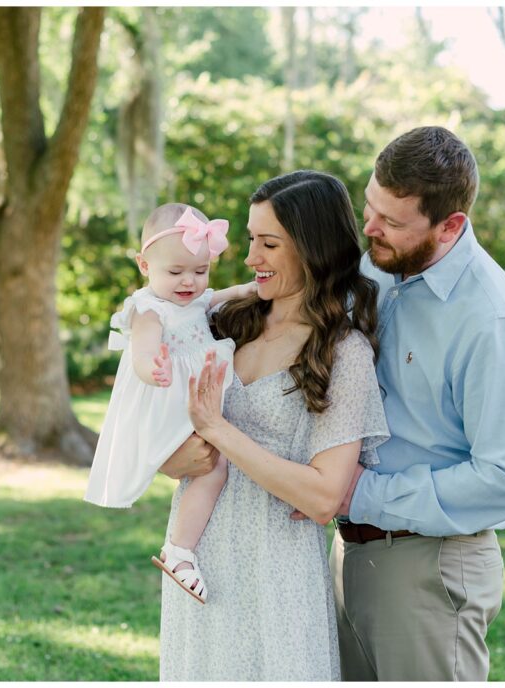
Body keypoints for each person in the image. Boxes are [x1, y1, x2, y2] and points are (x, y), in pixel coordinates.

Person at [325, 126, 505, 681]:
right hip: (347, 552)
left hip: (428, 567)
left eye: (393, 222)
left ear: (450, 226)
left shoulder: (492, 320)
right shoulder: (380, 261)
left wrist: (360, 492)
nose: (370, 230)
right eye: (369, 208)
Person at [158, 170, 390, 681]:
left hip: (276, 569)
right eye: (249, 239)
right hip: (198, 559)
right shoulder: (224, 323)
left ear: (312, 249)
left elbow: (325, 496)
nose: (249, 258)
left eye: (268, 243)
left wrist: (220, 432)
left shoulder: (341, 353)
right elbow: (156, 421)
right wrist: (169, 459)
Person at [83, 203, 254, 604]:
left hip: (195, 400)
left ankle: (184, 548)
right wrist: (150, 368)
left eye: (199, 271)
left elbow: (217, 298)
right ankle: (180, 550)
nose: (189, 282)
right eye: (175, 272)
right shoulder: (150, 307)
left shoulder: (195, 299)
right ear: (144, 265)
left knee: (216, 466)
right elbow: (141, 349)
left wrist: (248, 290)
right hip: (167, 403)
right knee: (214, 468)